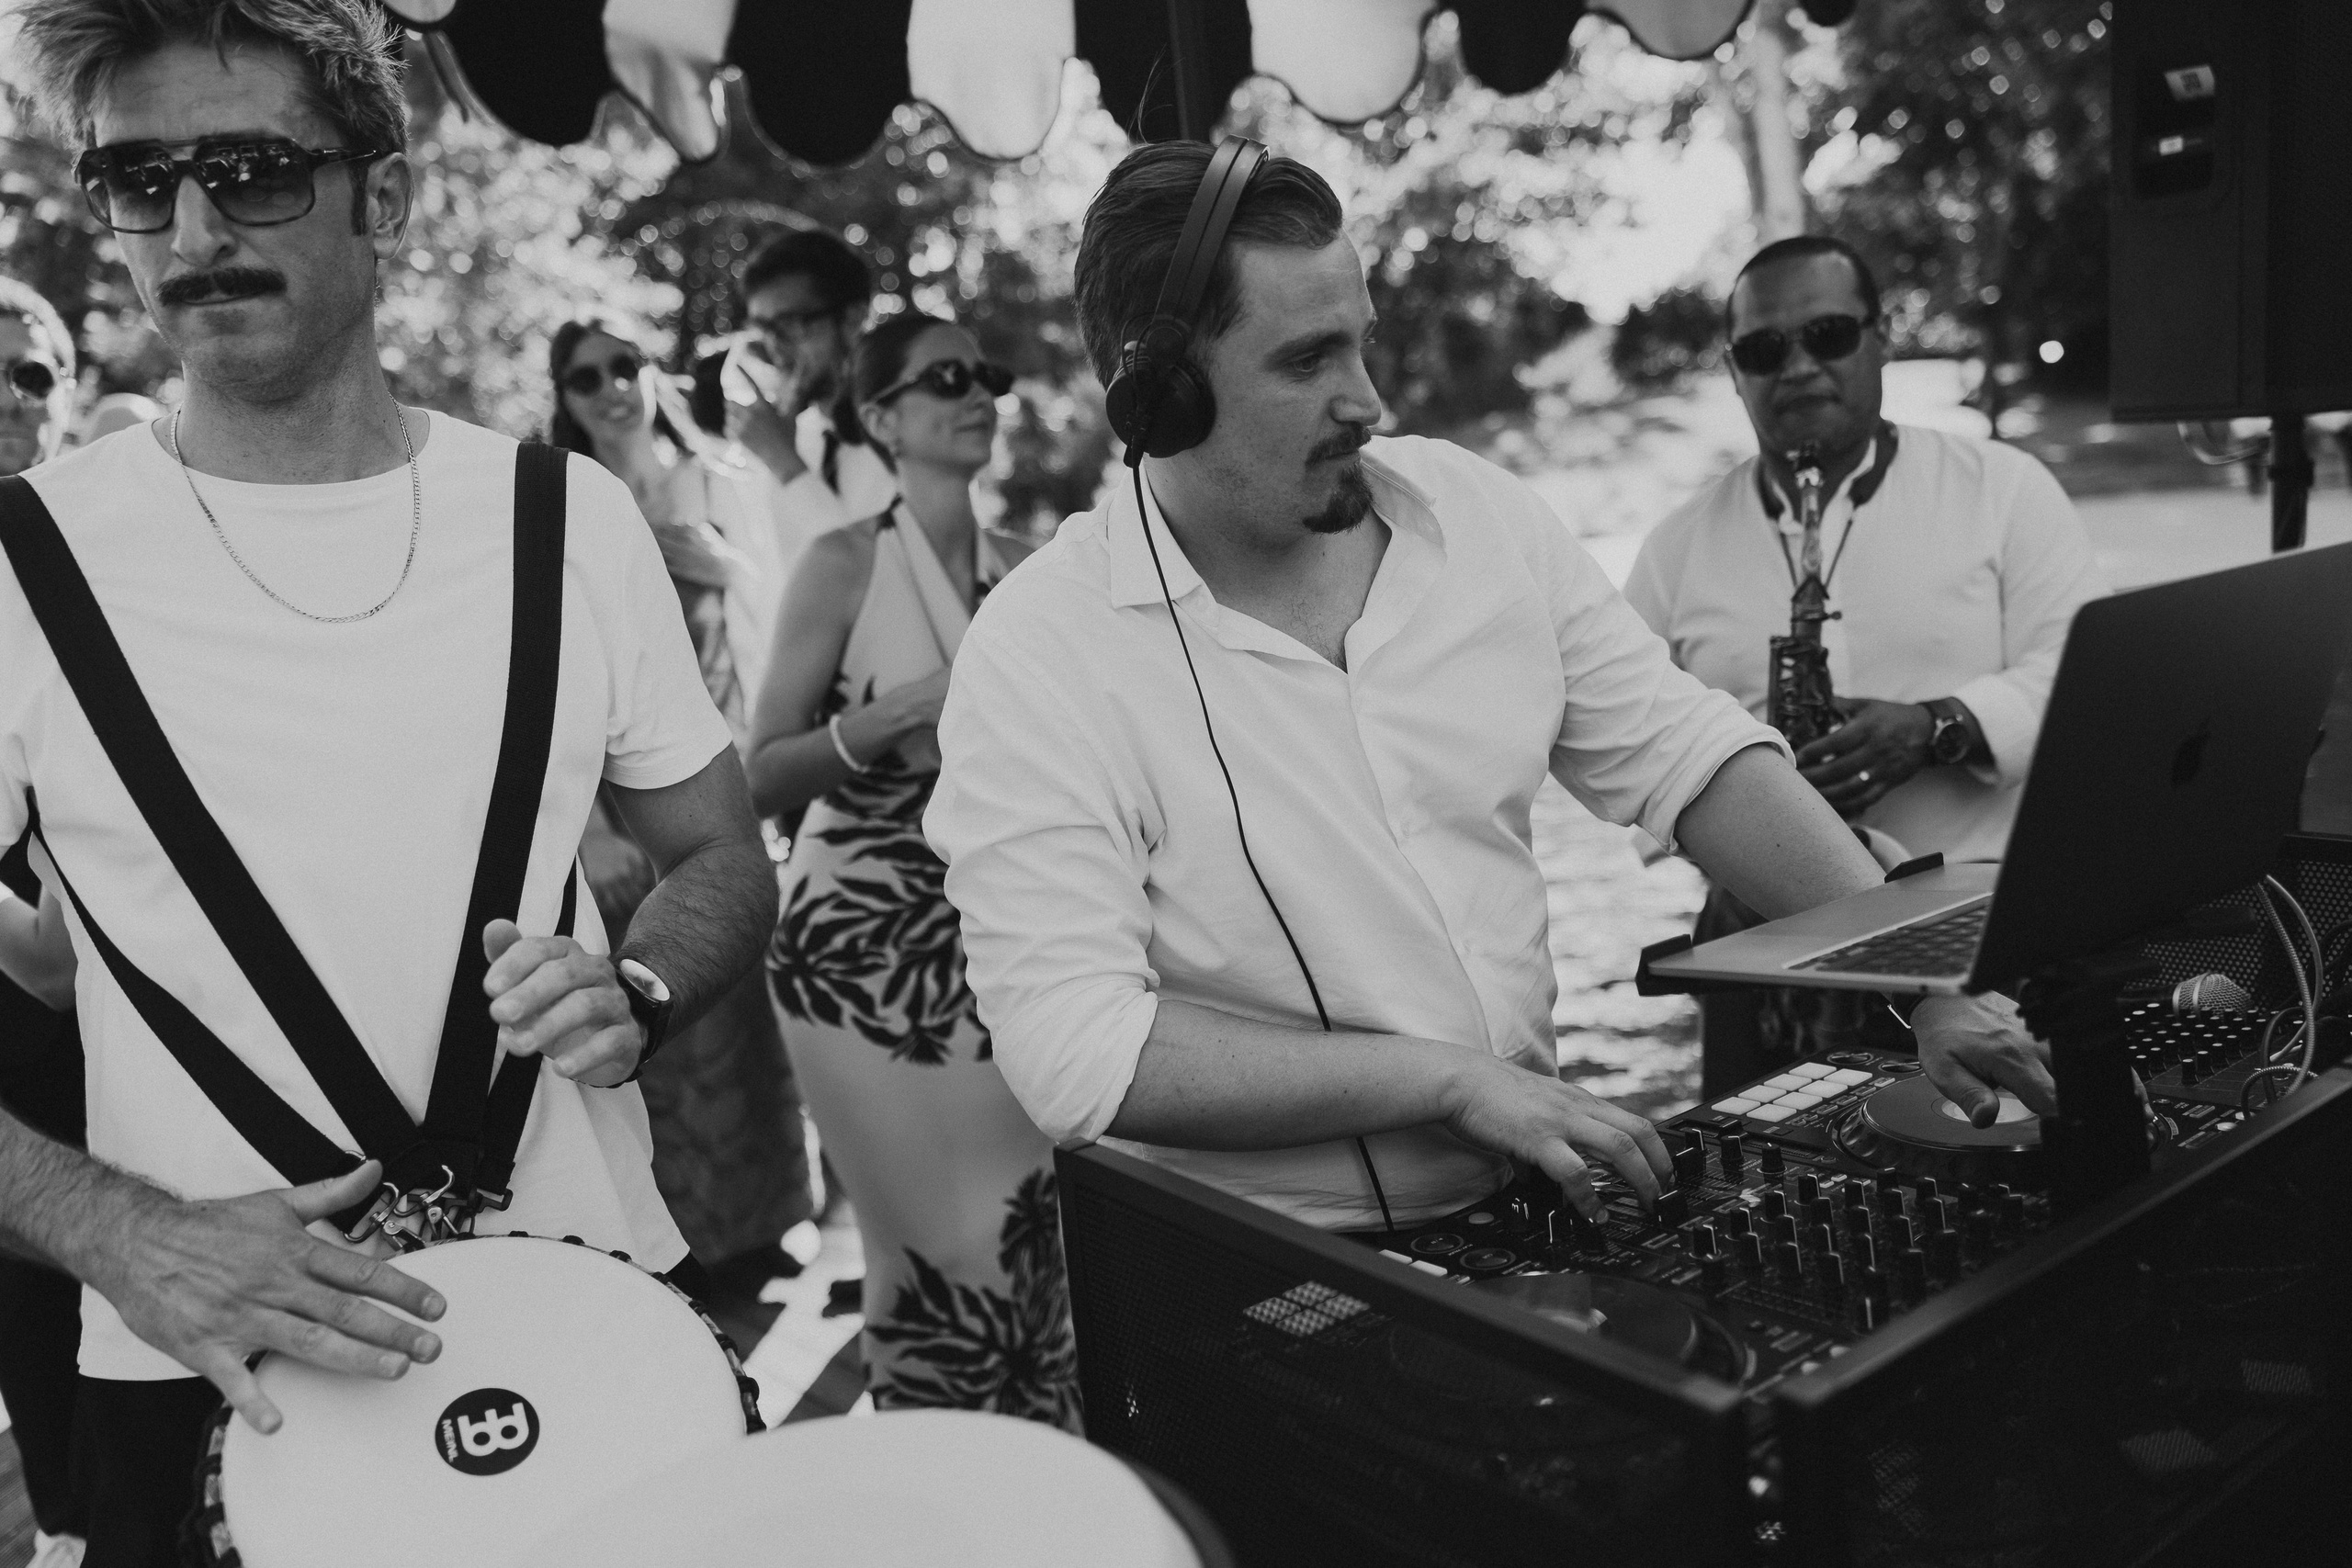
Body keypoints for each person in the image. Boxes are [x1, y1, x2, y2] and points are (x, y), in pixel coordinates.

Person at [924, 141, 2056, 1244]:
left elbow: (1688, 757)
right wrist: (1449, 1084)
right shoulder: (1036, 654)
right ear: (1157, 393)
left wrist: (1918, 976)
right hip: (1250, 1271)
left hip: (1529, 1203)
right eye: (1307, 361)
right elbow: (1079, 1051)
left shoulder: (1477, 517)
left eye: (1363, 346)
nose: (1366, 400)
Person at [0, 5, 775, 1562]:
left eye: (252, 171)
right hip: (204, 1362)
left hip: (591, 1324)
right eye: (139, 183)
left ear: (388, 195)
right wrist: (121, 1234)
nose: (196, 230)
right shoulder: (25, 566)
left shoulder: (570, 523)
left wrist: (639, 985)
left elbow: (725, 859)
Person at [1623, 235, 2106, 1095]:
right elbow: (1630, 756)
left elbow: (2081, 681)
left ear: (1881, 337)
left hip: (1986, 941)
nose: (1799, 366)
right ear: (1735, 372)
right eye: (1765, 350)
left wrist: (1939, 727)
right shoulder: (1674, 549)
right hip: (1766, 965)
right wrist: (1753, 793)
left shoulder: (2005, 488)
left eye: (1830, 335)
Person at [750, 311, 1077, 1426]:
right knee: (932, 1252)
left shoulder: (1029, 574)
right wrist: (889, 717)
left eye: (986, 373)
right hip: (862, 962)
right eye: (945, 377)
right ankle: (942, 1491)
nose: (976, 392)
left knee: (1034, 1231)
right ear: (881, 417)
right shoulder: (841, 565)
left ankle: (1054, 1485)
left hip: (1000, 945)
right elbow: (755, 777)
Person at [549, 315, 816, 1286]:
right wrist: (581, 829)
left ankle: (767, 1221)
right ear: (565, 398)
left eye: (625, 365)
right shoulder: (564, 504)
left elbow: (777, 606)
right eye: (586, 378)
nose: (613, 387)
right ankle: (689, 1242)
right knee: (665, 1018)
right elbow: (552, 677)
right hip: (622, 795)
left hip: (727, 756)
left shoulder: (718, 479)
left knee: (745, 1010)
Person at [0, 272, 91, 1568]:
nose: (11, 397)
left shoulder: (88, 571)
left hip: (63, 1029)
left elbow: (67, 968)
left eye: (36, 375)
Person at [727, 227, 899, 533]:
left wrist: (788, 467)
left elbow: (873, 574)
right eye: (764, 328)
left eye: (791, 324)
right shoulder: (779, 438)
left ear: (852, 318)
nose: (775, 346)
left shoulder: (908, 432)